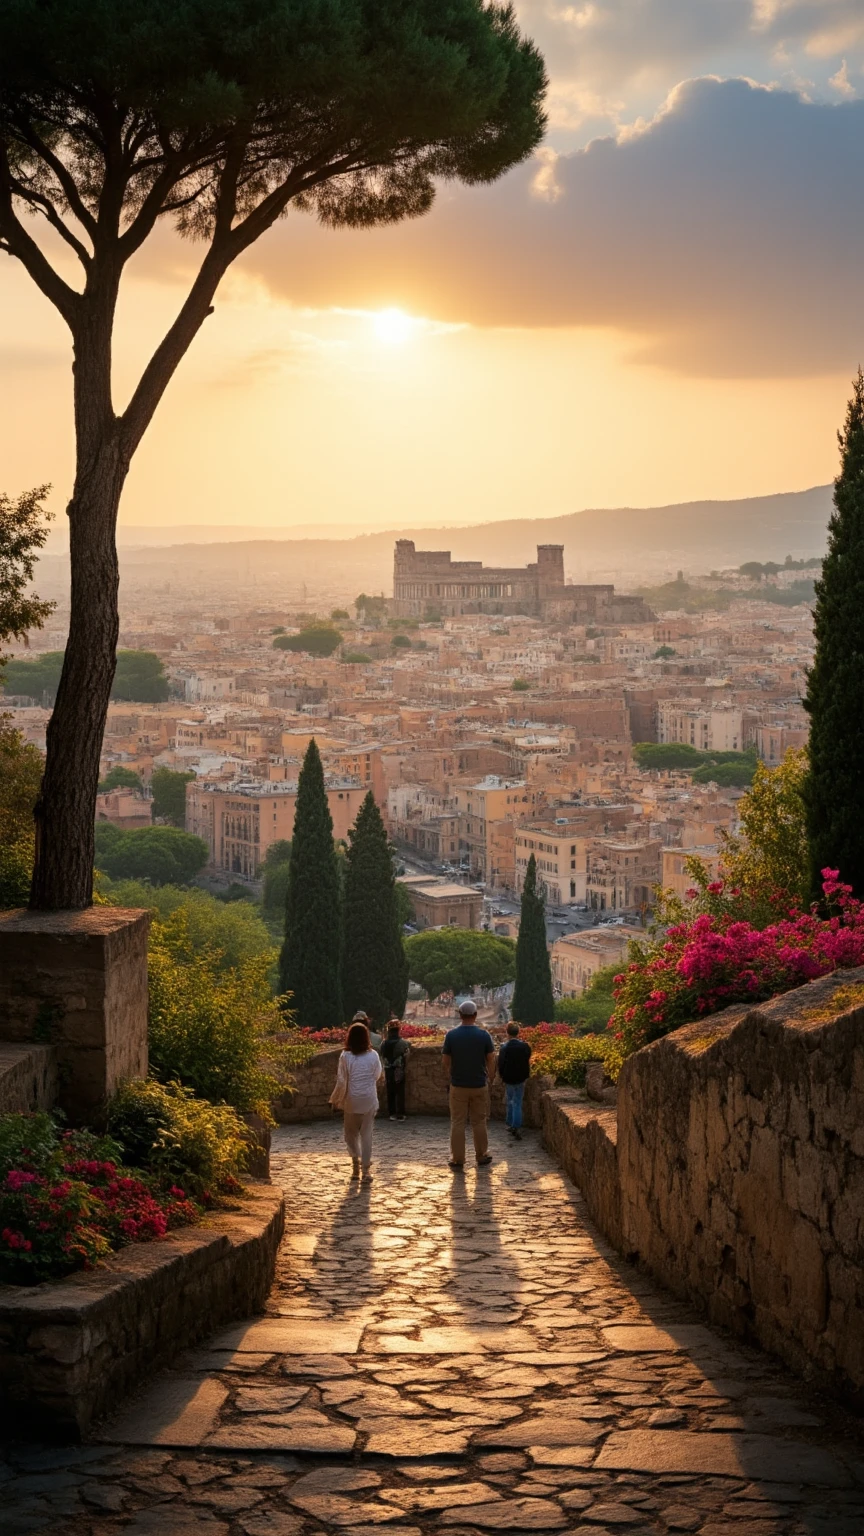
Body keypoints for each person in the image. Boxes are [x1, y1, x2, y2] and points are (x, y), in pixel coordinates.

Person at [442, 999, 497, 1170]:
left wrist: (448, 1078)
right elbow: (491, 1059)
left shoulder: (451, 1035)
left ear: (460, 1015)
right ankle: (481, 1154)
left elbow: (445, 1062)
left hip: (458, 1085)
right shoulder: (484, 1035)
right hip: (479, 1084)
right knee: (479, 1121)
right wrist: (491, 1078)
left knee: (457, 1122)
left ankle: (458, 1159)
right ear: (475, 1015)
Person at [330, 1020, 383, 1182]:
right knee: (367, 1135)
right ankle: (366, 1171)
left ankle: (355, 1167)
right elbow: (377, 1075)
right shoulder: (373, 1055)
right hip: (368, 1099)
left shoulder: (345, 1056)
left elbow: (341, 1080)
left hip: (351, 1100)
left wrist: (336, 1100)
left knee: (350, 1135)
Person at [497, 1020, 532, 1141]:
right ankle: (515, 1124)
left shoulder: (504, 1048)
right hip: (521, 1077)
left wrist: (501, 1076)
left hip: (509, 1078)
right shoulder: (525, 1046)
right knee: (517, 1101)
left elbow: (500, 1064)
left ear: (507, 1033)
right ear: (518, 1032)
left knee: (510, 1100)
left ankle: (512, 1123)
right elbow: (527, 1059)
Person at [381, 1017, 410, 1121]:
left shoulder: (383, 1043)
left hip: (388, 1069)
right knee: (400, 1091)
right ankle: (400, 1114)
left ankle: (392, 1113)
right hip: (399, 1070)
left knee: (390, 1091)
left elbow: (382, 1055)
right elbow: (407, 1055)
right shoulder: (403, 1043)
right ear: (398, 1030)